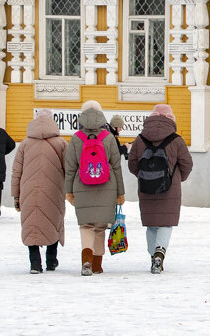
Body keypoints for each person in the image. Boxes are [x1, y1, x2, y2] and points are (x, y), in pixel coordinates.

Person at [127, 103, 194, 274]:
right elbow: (187, 163)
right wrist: (179, 178)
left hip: (146, 187)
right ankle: (160, 252)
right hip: (170, 188)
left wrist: (143, 176)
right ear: (171, 119)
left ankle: (152, 257)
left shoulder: (140, 139)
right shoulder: (176, 140)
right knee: (165, 223)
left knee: (151, 224)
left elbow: (132, 163)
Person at [63, 100, 124, 276]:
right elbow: (116, 166)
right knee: (99, 227)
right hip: (107, 186)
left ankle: (86, 261)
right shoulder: (109, 137)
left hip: (82, 186)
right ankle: (97, 265)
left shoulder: (76, 138)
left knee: (86, 226)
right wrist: (120, 192)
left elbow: (71, 167)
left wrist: (69, 191)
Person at [12, 108, 67, 274]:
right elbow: (70, 169)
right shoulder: (61, 143)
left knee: (32, 224)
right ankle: (51, 260)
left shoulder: (25, 144)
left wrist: (16, 194)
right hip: (54, 190)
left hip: (28, 189)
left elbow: (16, 171)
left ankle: (35, 263)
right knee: (53, 222)